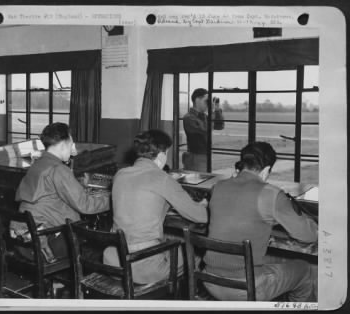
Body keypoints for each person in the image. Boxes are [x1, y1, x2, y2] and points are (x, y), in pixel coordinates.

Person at [202, 142, 318, 301]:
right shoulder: (271, 193)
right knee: (305, 270)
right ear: (266, 170)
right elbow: (308, 236)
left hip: (210, 280)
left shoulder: (218, 186)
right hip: (246, 287)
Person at [103, 129, 208, 284]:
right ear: (160, 156)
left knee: (169, 239)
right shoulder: (162, 179)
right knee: (197, 252)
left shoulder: (120, 175)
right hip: (144, 266)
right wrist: (203, 204)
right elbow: (201, 217)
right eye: (166, 153)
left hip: (114, 260)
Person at [10, 122, 110, 262]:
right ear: (63, 144)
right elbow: (86, 206)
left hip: (26, 240)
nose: (72, 150)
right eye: (71, 145)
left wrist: (78, 185)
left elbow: (46, 192)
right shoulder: (58, 169)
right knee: (99, 246)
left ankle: (57, 281)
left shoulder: (37, 164)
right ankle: (72, 279)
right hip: (46, 245)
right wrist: (114, 199)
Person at [182, 89, 224, 172]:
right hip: (196, 156)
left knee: (204, 180)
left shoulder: (204, 116)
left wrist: (217, 110)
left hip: (205, 155)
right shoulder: (189, 117)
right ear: (197, 100)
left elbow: (219, 126)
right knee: (198, 181)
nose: (208, 104)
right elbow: (205, 129)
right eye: (206, 101)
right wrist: (212, 112)